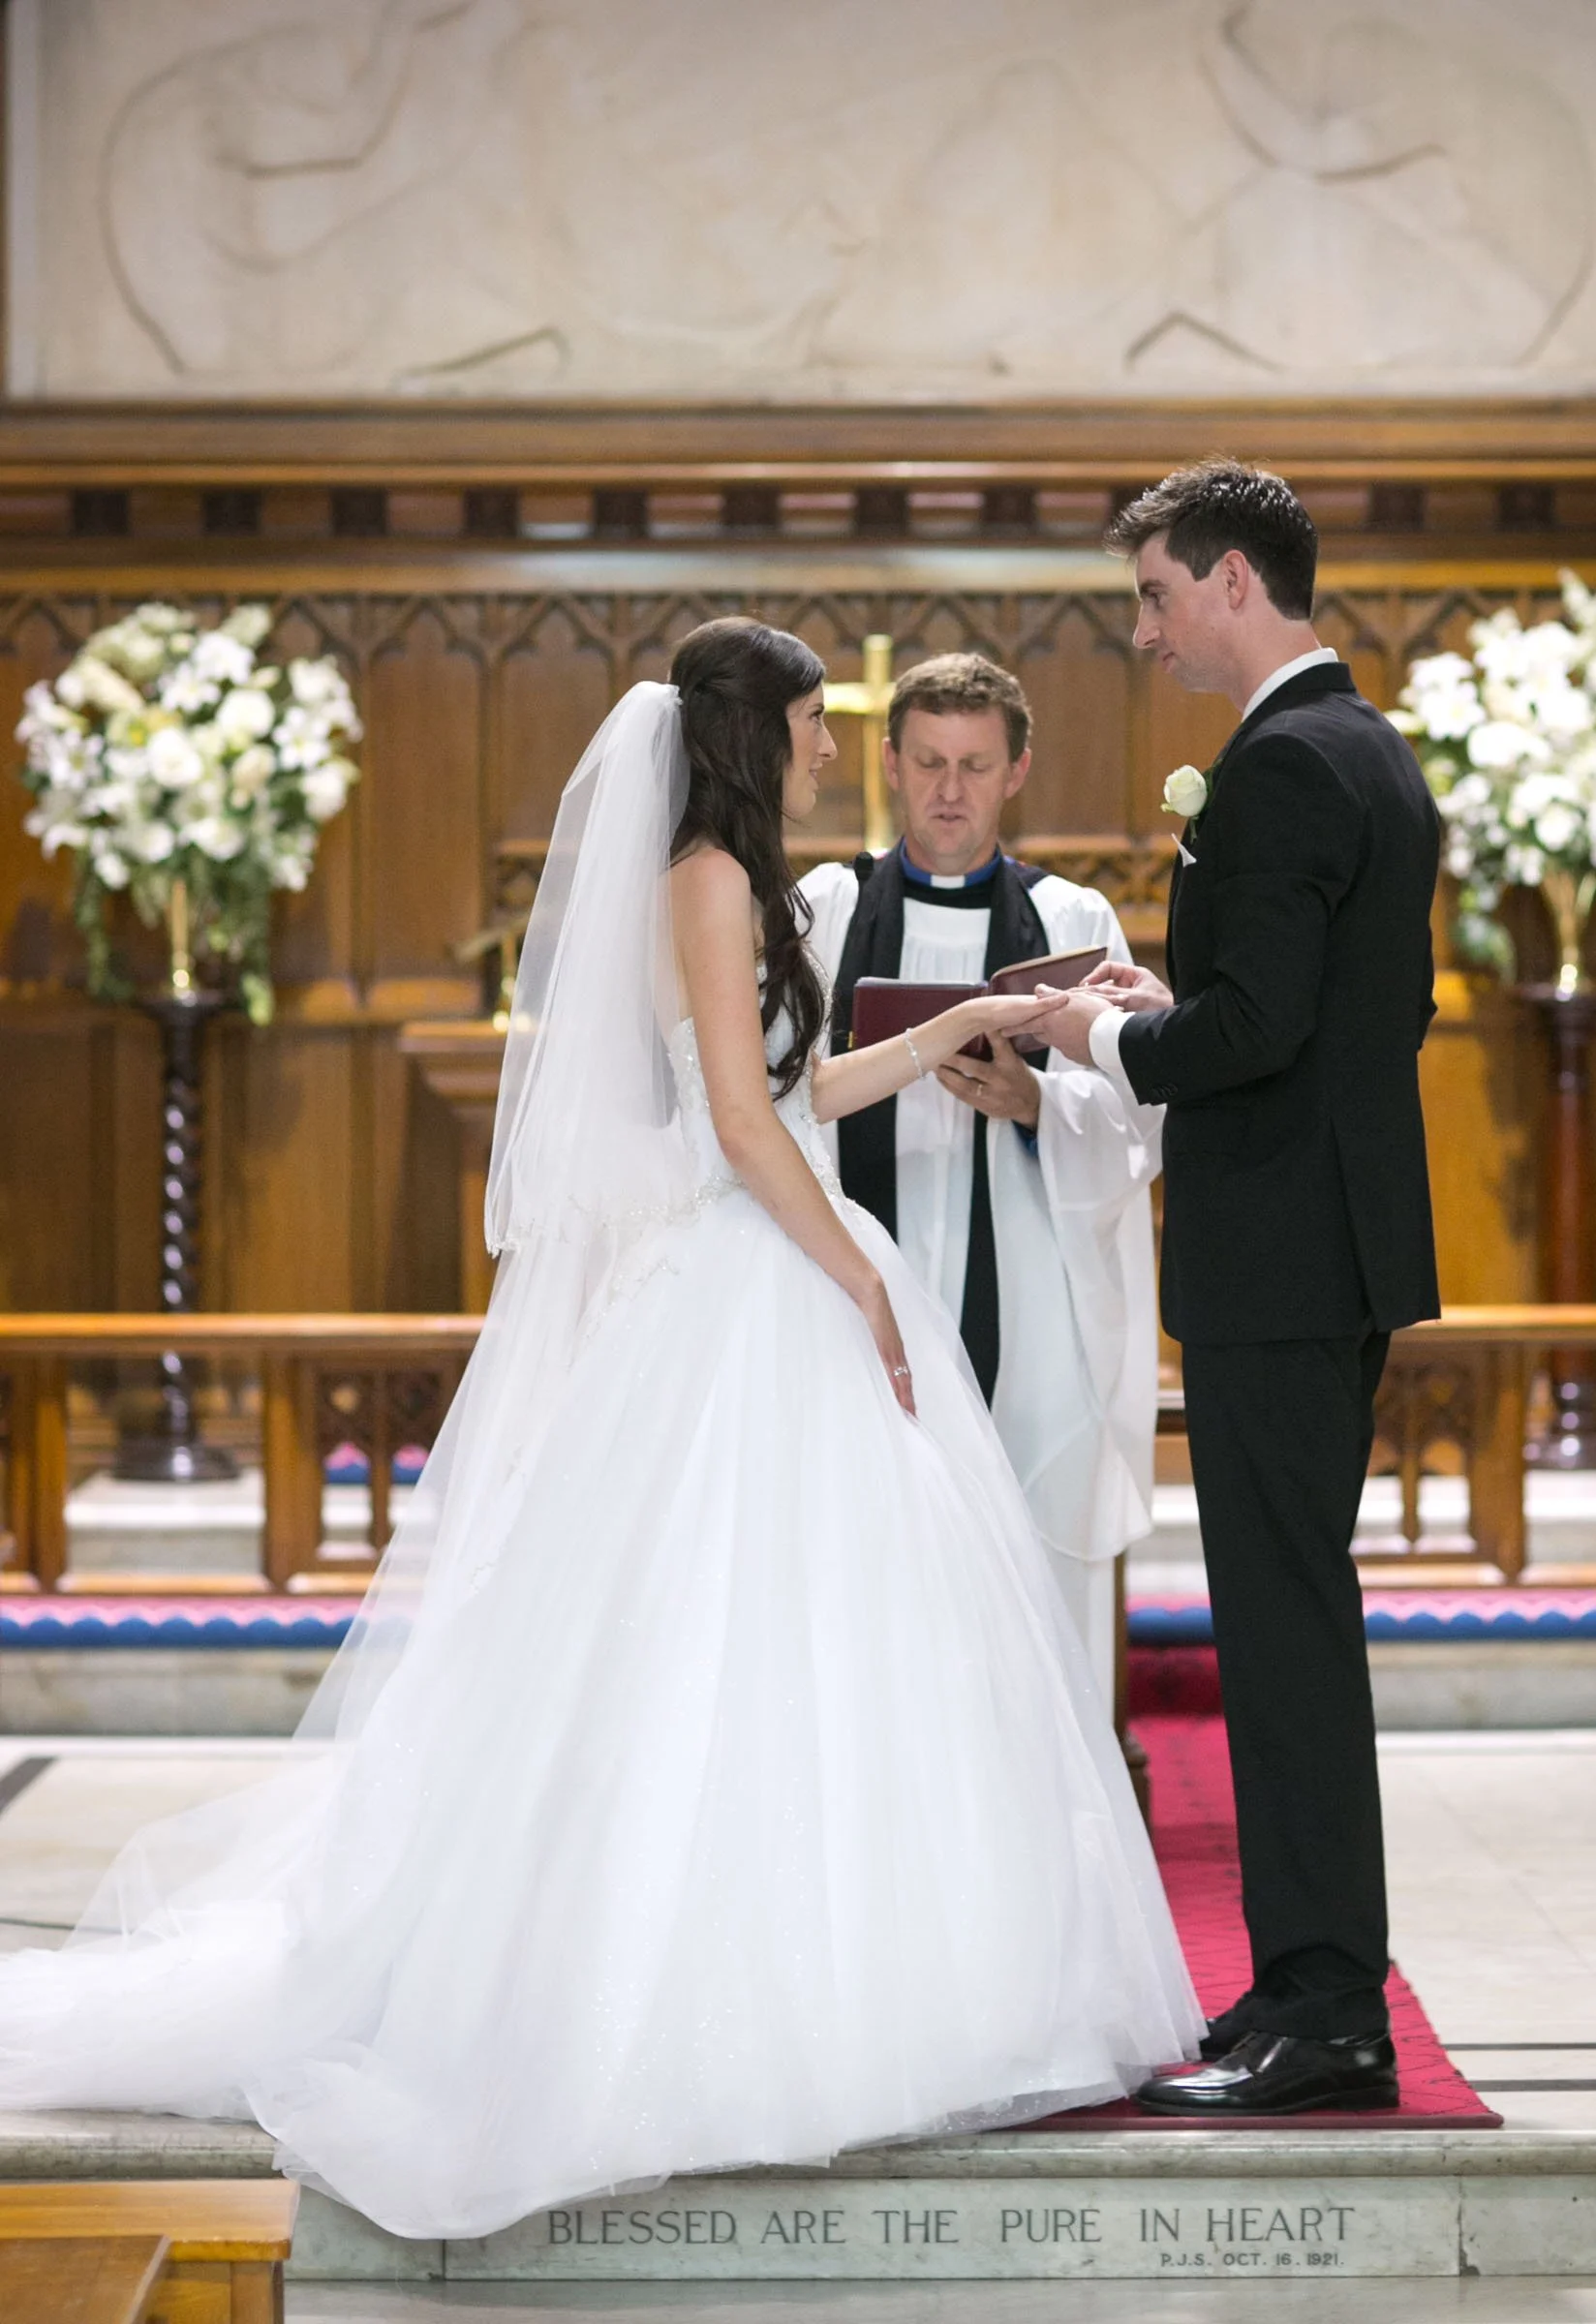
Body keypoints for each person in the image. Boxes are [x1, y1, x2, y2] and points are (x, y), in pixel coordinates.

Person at [0, 619, 1200, 2237]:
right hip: (744, 1284)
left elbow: (791, 1093)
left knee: (812, 1642)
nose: (835, 749)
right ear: (750, 732)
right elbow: (730, 1127)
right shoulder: (706, 880)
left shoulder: (747, 881)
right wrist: (858, 1275)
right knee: (704, 1644)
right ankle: (709, 1987)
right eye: (814, 725)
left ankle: (850, 1955)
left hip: (769, 1259)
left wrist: (930, 1041)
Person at [1043, 463, 1441, 2117]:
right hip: (1328, 1244)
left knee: (1284, 1635)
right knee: (1293, 1623)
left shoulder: (1280, 769)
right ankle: (1298, 1985)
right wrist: (1174, 995)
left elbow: (1260, 1033)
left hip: (1284, 1255)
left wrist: (1102, 1035)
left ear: (1225, 581)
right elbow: (1319, 1007)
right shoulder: (1365, 748)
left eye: (1152, 597)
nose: (1142, 633)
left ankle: (1327, 2013)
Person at [802, 654, 1162, 1704]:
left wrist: (1037, 1103)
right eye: (927, 762)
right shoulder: (825, 909)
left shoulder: (1075, 920)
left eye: (973, 764)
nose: (948, 790)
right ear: (889, 763)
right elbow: (767, 1087)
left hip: (1033, 1292)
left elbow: (1145, 1112)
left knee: (1026, 1579)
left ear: (1017, 771)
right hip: (855, 1284)